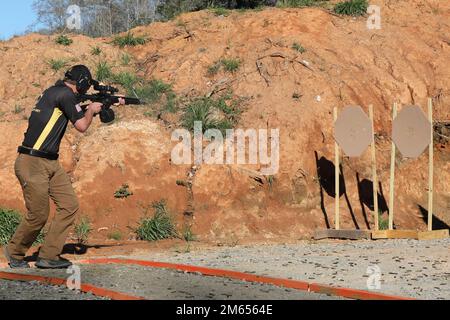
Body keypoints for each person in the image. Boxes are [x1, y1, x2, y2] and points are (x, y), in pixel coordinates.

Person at [3, 65, 124, 269]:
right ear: (83, 82)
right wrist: (94, 109)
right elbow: (82, 126)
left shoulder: (54, 92)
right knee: (38, 214)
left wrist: (98, 105)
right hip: (33, 162)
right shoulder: (66, 95)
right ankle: (15, 252)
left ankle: (49, 255)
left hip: (50, 162)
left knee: (69, 205)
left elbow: (73, 111)